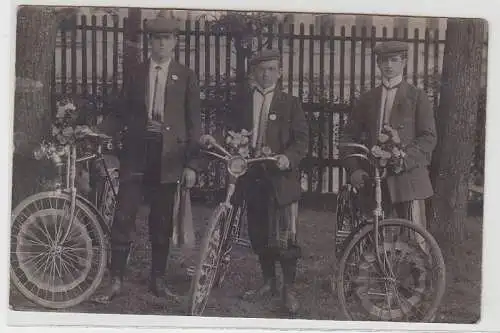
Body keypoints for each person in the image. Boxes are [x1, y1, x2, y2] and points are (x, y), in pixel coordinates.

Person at [98, 11, 202, 301]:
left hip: (168, 157)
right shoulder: (137, 72)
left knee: (161, 219)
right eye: (156, 39)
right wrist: (100, 132)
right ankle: (116, 279)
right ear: (150, 43)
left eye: (166, 39)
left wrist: (192, 164)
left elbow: (194, 124)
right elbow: (120, 112)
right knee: (124, 214)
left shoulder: (186, 77)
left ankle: (158, 280)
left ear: (175, 43)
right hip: (136, 154)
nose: (160, 45)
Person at [224, 49, 309, 314]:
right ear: (253, 73)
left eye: (272, 69)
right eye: (261, 69)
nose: (266, 74)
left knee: (285, 236)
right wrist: (233, 143)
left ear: (280, 73)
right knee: (259, 233)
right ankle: (268, 281)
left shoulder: (290, 103)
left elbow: (303, 140)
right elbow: (229, 131)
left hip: (281, 178)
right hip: (252, 176)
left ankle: (288, 289)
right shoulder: (242, 102)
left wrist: (288, 157)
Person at [342, 40, 437, 236]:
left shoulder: (417, 97)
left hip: (409, 181)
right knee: (373, 242)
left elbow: (428, 138)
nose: (389, 66)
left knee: (416, 242)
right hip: (373, 181)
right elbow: (348, 137)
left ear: (404, 62)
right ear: (378, 64)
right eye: (384, 60)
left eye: (394, 60)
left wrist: (403, 158)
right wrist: (354, 170)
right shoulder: (367, 99)